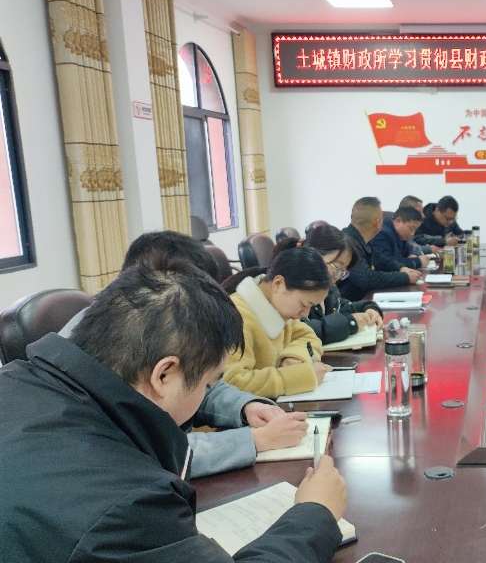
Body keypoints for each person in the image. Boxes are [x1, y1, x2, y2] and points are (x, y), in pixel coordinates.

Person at [0, 262, 347, 562]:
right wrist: (315, 514)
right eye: (207, 383)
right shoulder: (128, 506)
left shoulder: (19, 379)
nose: (206, 394)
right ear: (163, 375)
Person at [58, 231, 308, 479]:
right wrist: (254, 440)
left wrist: (244, 407)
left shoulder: (153, 320)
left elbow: (198, 382)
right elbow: (147, 453)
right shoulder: (105, 347)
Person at [221, 246, 333, 398]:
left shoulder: (277, 306)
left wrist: (294, 356)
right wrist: (301, 377)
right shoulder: (238, 317)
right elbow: (233, 382)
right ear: (278, 284)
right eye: (304, 304)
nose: (305, 314)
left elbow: (307, 336)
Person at [275, 226, 385, 344]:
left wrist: (368, 308)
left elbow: (338, 305)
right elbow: (300, 330)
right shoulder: (293, 283)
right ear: (313, 254)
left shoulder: (326, 287)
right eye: (337, 267)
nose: (338, 276)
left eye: (343, 271)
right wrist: (349, 323)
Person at [341, 197, 421, 301]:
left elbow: (381, 260)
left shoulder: (361, 239)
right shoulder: (348, 243)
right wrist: (405, 277)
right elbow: (366, 278)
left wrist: (401, 268)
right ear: (377, 222)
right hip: (348, 303)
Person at [371, 205, 430, 270]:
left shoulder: (399, 234)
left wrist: (412, 254)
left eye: (415, 230)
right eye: (411, 228)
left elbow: (409, 249)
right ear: (398, 221)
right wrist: (417, 262)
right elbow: (388, 264)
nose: (412, 234)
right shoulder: (381, 234)